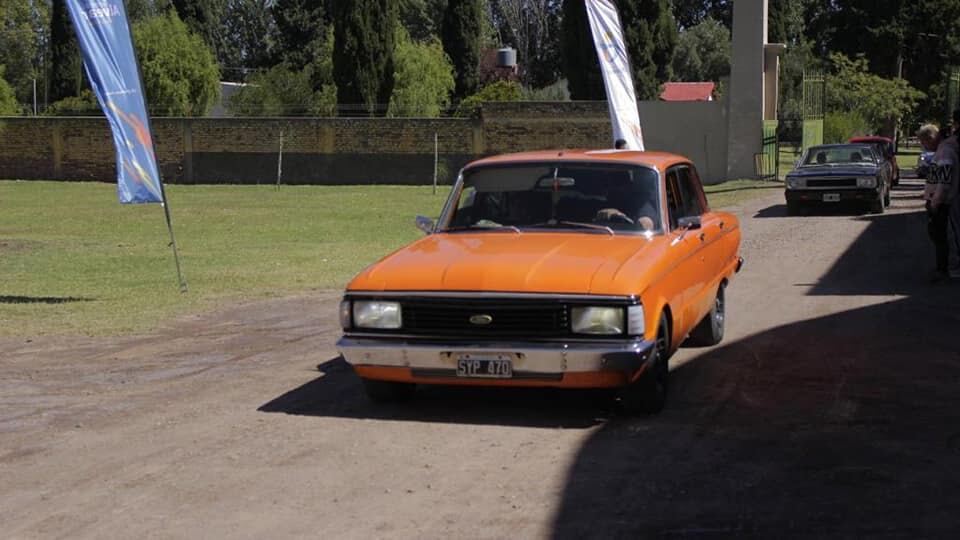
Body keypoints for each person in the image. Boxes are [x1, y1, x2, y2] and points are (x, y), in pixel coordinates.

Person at [917, 123, 960, 282]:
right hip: (939, 200)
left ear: (931, 139)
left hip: (941, 202)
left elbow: (944, 180)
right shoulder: (943, 150)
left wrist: (936, 201)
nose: (923, 146)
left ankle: (945, 269)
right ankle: (943, 267)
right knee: (937, 235)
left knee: (941, 236)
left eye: (924, 142)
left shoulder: (945, 152)